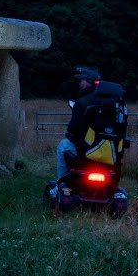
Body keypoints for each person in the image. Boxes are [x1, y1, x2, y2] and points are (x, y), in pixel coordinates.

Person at [49, 65, 102, 195]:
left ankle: (62, 183)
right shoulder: (113, 102)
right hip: (106, 152)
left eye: (81, 80)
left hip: (86, 150)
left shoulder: (83, 102)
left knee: (63, 145)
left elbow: (72, 129)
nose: (79, 83)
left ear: (88, 82)